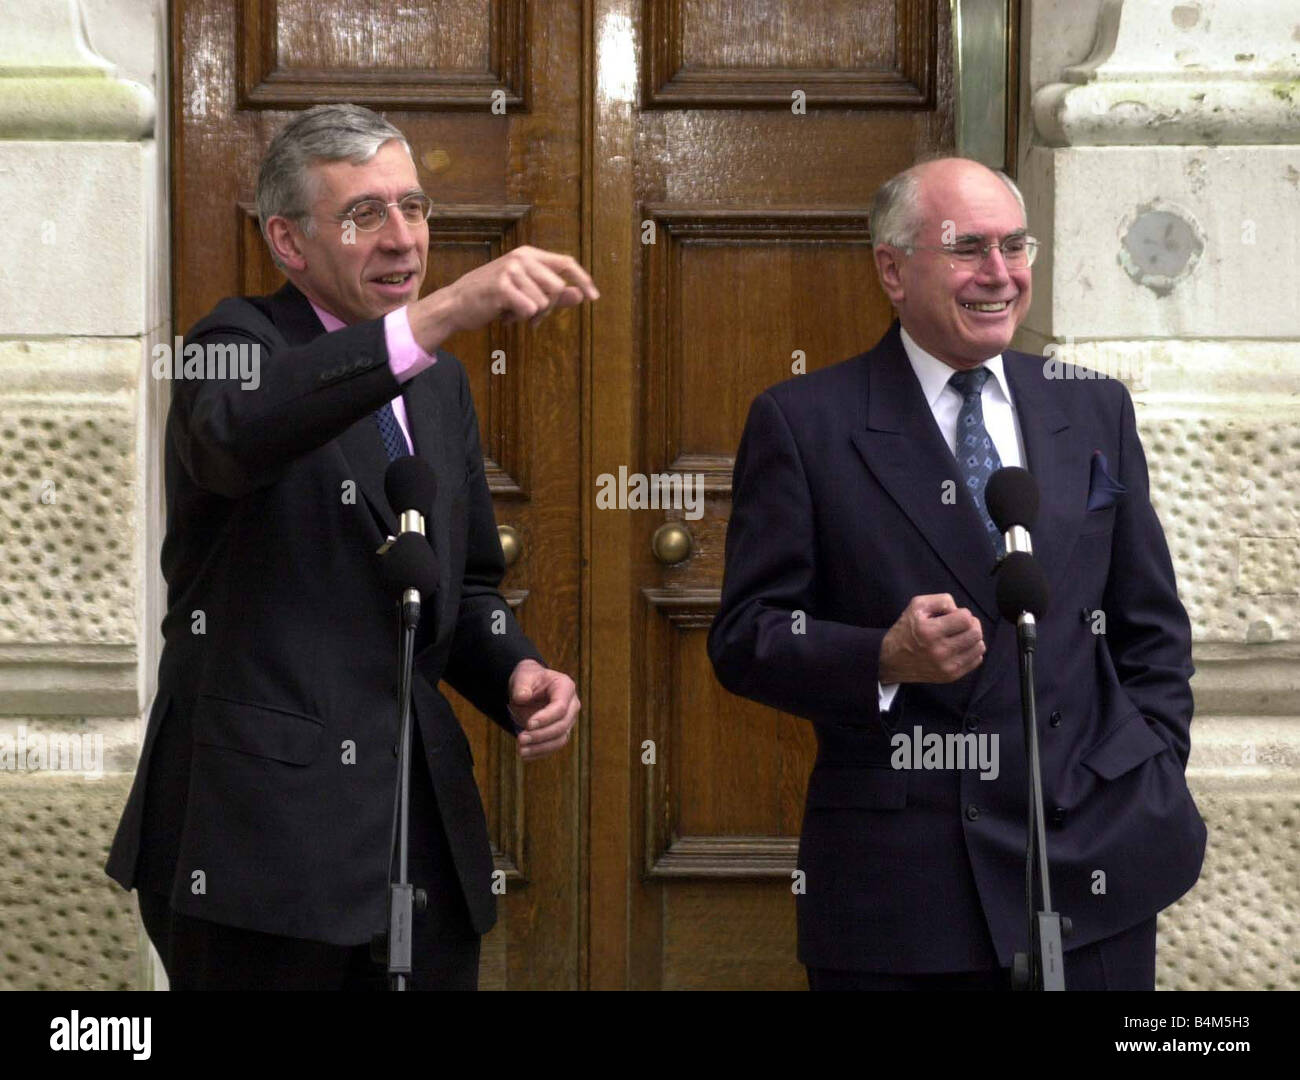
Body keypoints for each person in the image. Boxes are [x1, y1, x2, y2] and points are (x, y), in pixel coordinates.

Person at [105, 104, 597, 989]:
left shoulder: (437, 386)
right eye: (364, 215)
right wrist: (438, 318)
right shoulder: (234, 344)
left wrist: (515, 672)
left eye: (414, 207)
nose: (402, 238)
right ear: (288, 243)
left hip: (417, 848)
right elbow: (241, 433)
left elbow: (469, 583)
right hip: (259, 855)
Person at [707, 157, 1205, 990]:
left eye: (1015, 245)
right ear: (892, 269)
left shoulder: (1092, 407)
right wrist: (881, 659)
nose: (1000, 274)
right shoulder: (805, 422)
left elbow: (1150, 625)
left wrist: (1148, 766)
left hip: (1091, 867)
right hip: (910, 889)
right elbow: (746, 638)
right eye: (968, 247)